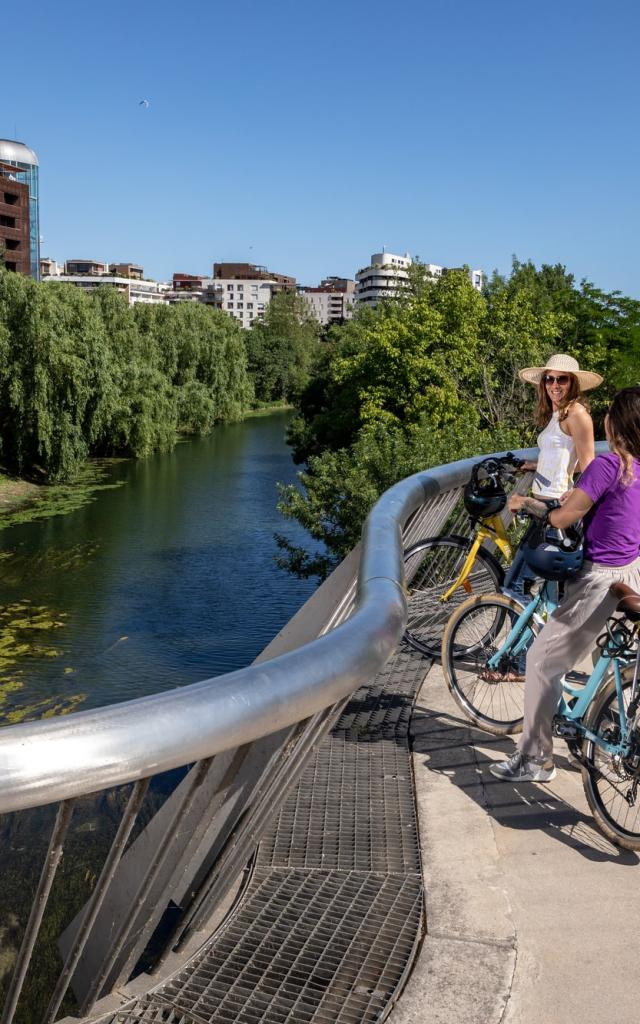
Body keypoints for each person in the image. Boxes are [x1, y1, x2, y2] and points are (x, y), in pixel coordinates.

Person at [491, 386, 640, 782]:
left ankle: (536, 759)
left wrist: (538, 508)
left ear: (615, 423)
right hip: (633, 572)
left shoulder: (608, 467)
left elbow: (563, 518)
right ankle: (607, 725)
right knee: (610, 655)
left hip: (600, 580)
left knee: (541, 661)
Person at [505, 353, 601, 600]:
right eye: (549, 379)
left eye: (562, 380)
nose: (554, 385)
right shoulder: (559, 414)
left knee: (516, 586)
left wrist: (575, 495)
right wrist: (533, 464)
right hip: (543, 506)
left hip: (553, 507)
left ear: (573, 383)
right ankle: (547, 634)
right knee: (544, 589)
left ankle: (533, 640)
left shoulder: (577, 414)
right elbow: (568, 461)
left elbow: (589, 465)